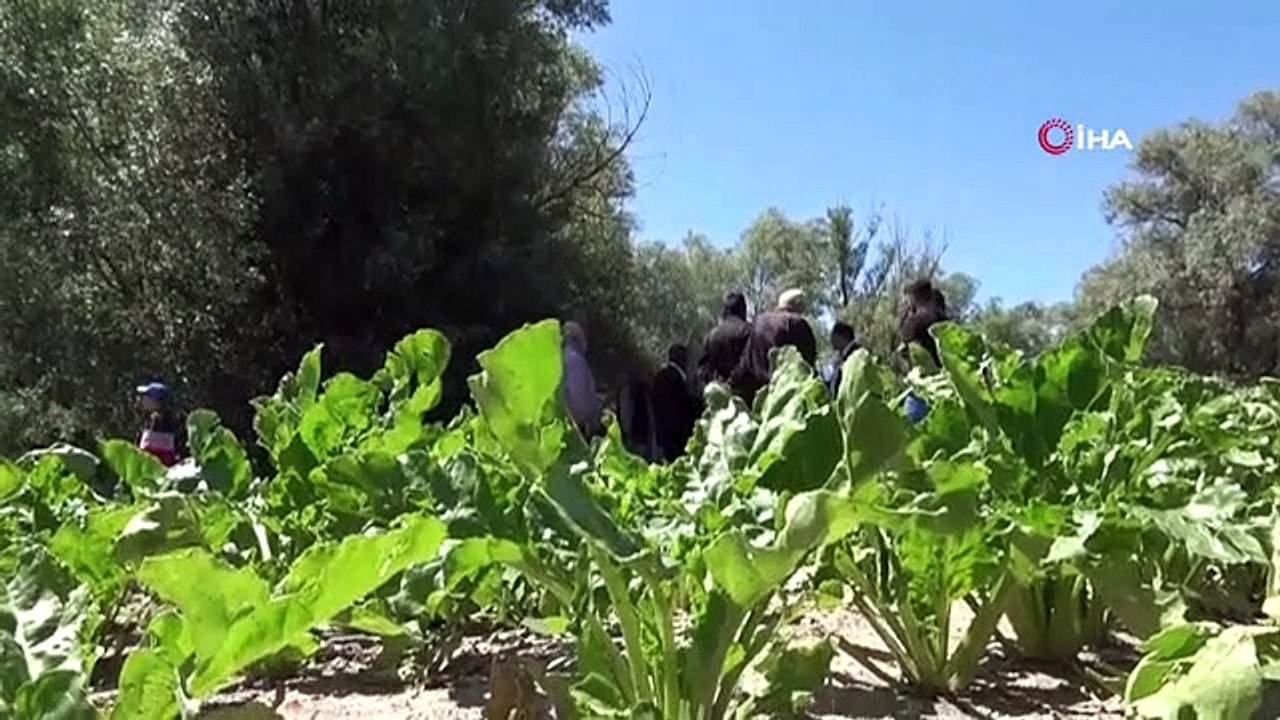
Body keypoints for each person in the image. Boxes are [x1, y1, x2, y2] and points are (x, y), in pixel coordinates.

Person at [732, 288, 818, 405]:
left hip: (758, 397)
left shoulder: (759, 322)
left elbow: (746, 361)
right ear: (799, 307)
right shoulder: (797, 324)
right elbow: (808, 366)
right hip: (787, 398)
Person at [897, 280, 949, 423]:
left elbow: (905, 353)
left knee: (914, 434)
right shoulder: (945, 323)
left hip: (921, 388)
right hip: (946, 386)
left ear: (914, 297)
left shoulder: (912, 323)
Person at [651, 344, 698, 461]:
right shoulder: (675, 379)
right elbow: (681, 406)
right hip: (676, 436)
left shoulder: (660, 376)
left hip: (662, 433)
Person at [698, 291, 753, 388]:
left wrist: (716, 385)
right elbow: (749, 364)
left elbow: (703, 370)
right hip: (744, 396)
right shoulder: (749, 331)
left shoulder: (711, 335)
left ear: (725, 311)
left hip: (717, 396)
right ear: (743, 309)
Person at [561, 321, 603, 437]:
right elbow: (579, 395)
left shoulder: (560, 358)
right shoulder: (576, 360)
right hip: (576, 424)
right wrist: (592, 419)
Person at [136, 382, 181, 467]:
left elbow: (148, 452)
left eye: (147, 396)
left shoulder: (157, 421)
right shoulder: (169, 420)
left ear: (156, 401)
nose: (143, 399)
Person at [825, 321, 861, 395]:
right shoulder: (840, 358)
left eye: (833, 337)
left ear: (840, 337)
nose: (831, 341)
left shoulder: (854, 355)